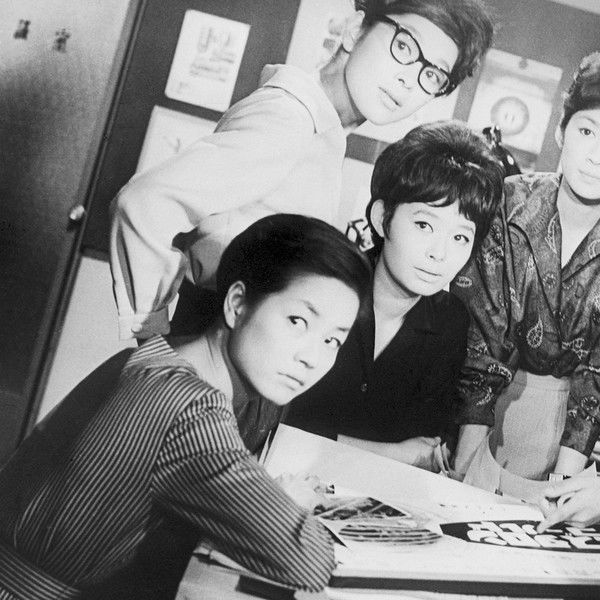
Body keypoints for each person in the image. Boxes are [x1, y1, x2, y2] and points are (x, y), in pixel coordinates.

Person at [0, 215, 372, 599]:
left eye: (332, 341)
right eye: (298, 321)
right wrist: (286, 504)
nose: (312, 358)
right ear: (237, 304)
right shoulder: (192, 411)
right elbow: (308, 560)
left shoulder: (162, 358)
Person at [109, 0, 494, 341]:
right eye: (405, 46)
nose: (408, 80)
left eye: (433, 75)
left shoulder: (322, 129)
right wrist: (152, 340)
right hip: (210, 332)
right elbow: (143, 203)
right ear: (354, 29)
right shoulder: (290, 119)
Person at [285, 120, 504, 471]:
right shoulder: (323, 286)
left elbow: (426, 444)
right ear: (382, 217)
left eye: (460, 237)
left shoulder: (449, 321)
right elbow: (275, 423)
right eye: (424, 225)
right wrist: (388, 453)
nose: (439, 253)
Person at [451, 52, 600, 502]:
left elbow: (596, 377)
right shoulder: (508, 202)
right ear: (561, 131)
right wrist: (465, 467)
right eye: (588, 131)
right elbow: (482, 336)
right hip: (478, 410)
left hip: (576, 431)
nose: (597, 157)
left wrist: (565, 486)